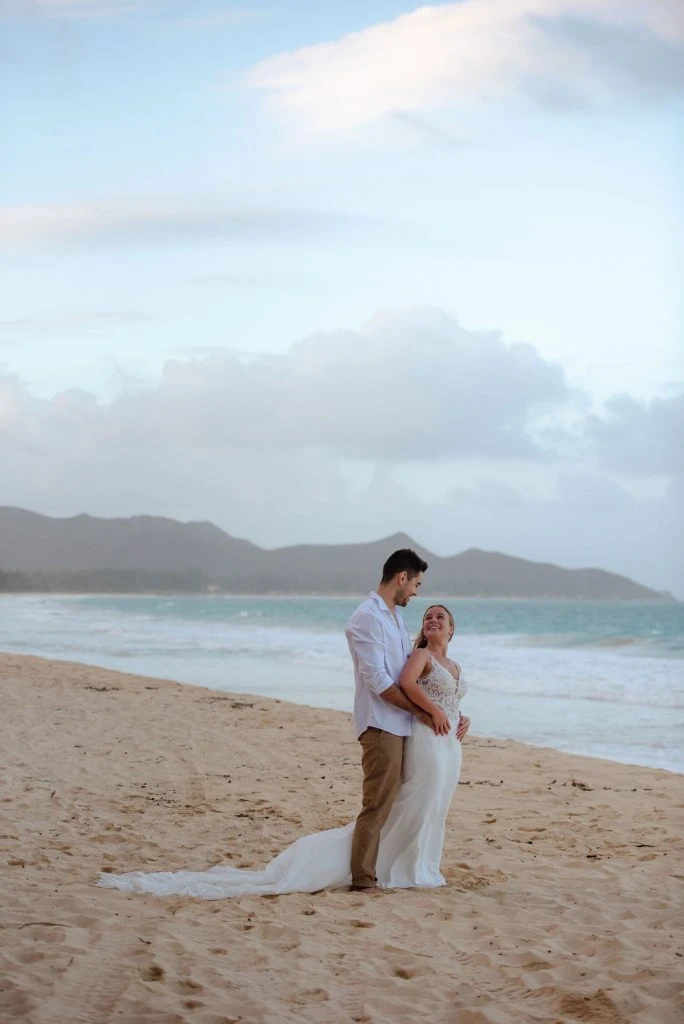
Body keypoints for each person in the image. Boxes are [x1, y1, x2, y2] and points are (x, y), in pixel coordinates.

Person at [97, 593, 470, 899]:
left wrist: (461, 717)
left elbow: (451, 698)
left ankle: (422, 864)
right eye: (427, 616)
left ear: (452, 630)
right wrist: (435, 710)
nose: (432, 620)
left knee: (435, 806)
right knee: (412, 803)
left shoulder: (453, 666)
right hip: (427, 739)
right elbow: (407, 685)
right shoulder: (420, 656)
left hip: (449, 743)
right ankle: (397, 866)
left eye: (440, 617)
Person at [345, 547, 437, 893]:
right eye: (416, 584)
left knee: (396, 802)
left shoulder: (394, 616)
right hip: (380, 723)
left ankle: (381, 868)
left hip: (400, 724)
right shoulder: (366, 617)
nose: (416, 592)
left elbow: (407, 672)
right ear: (402, 578)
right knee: (377, 803)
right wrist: (420, 712)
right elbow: (380, 682)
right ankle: (362, 879)